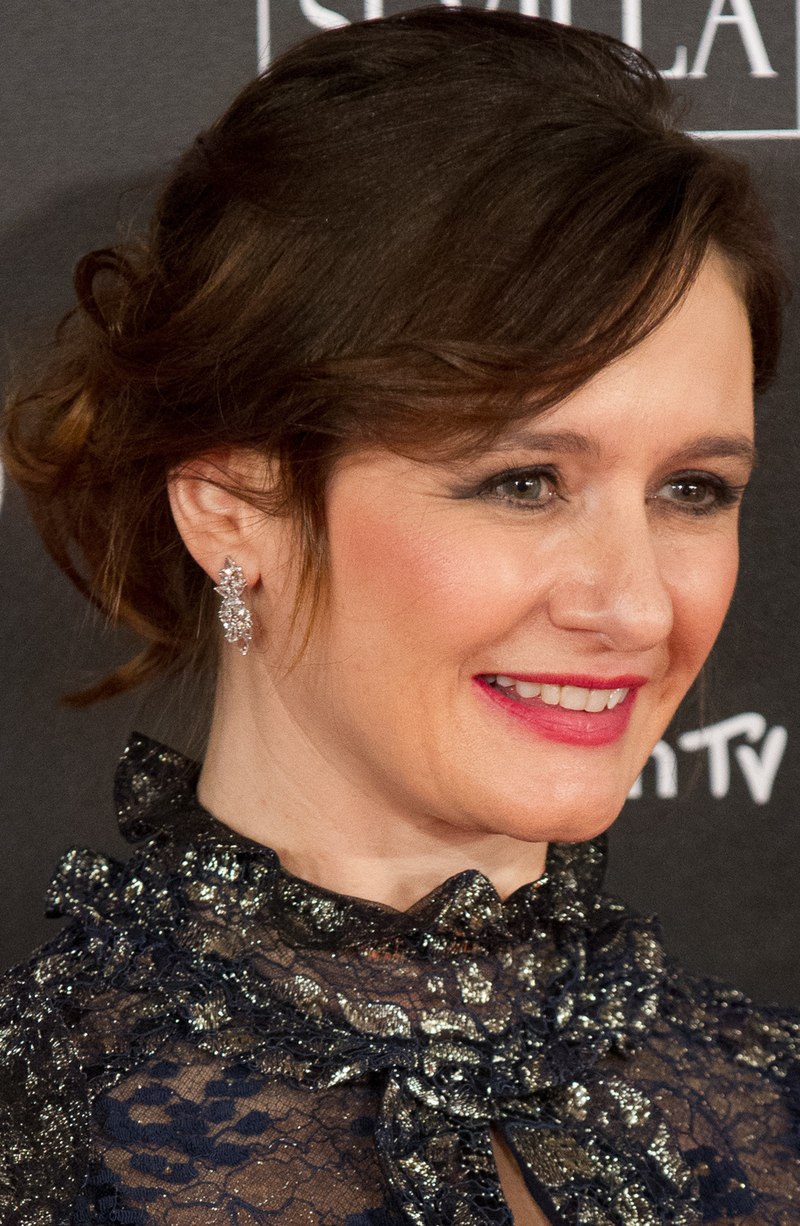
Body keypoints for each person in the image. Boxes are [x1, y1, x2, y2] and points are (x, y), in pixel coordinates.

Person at [0, 6, 798, 1223]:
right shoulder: (45, 1144)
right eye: (522, 482)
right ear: (234, 506)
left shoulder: (767, 1106)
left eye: (691, 490)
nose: (636, 604)